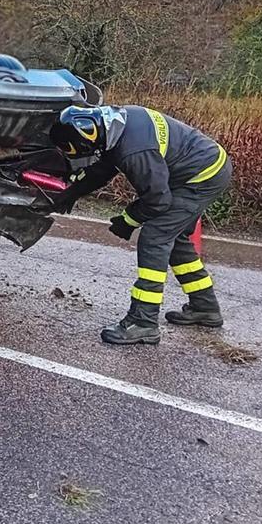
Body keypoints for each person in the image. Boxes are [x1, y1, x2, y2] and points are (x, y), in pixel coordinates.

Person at [51, 104, 232, 346]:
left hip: (202, 176)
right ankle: (205, 307)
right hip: (204, 165)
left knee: (155, 237)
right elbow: (103, 168)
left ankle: (143, 322)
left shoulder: (134, 152)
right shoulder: (117, 124)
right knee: (174, 237)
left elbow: (158, 200)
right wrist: (72, 192)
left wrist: (128, 220)